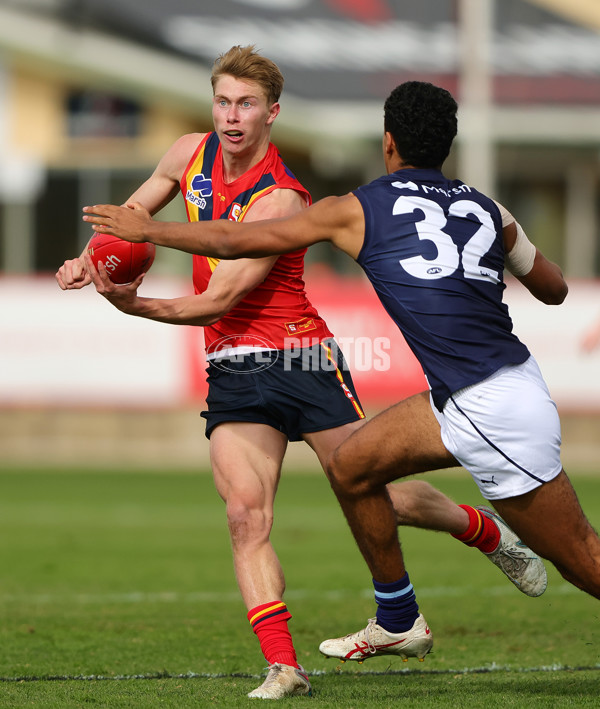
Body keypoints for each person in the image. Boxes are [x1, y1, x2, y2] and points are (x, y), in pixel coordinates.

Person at [72, 71, 555, 685]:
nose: (231, 114)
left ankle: (482, 529)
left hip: (302, 360)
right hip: (232, 367)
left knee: (374, 491)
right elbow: (133, 215)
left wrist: (132, 304)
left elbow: (216, 300)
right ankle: (283, 665)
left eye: (246, 104)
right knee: (246, 514)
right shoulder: (187, 152)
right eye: (223, 100)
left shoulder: (283, 197)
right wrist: (90, 260)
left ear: (272, 113)